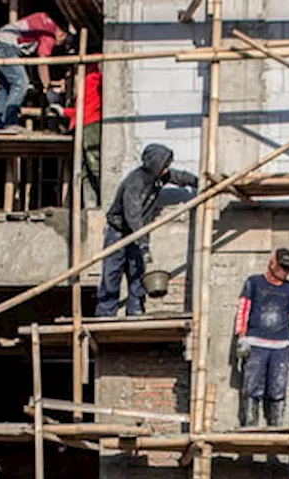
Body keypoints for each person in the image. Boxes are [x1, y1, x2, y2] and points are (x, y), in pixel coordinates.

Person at [95, 144, 198, 318]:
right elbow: (132, 215)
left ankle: (135, 312)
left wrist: (197, 181)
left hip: (138, 232)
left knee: (137, 274)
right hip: (119, 232)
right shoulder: (135, 182)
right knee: (112, 274)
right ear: (154, 164)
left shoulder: (158, 177)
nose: (167, 169)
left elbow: (179, 177)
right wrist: (143, 243)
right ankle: (105, 313)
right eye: (164, 165)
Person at [234, 248, 289, 428]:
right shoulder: (254, 283)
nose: (285, 272)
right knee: (252, 387)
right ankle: (250, 426)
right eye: (282, 267)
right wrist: (241, 336)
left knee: (278, 388)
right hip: (255, 344)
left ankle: (277, 427)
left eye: (288, 269)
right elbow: (243, 309)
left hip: (281, 346)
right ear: (272, 263)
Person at [0, 12, 68, 130]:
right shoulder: (49, 34)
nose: (59, 44)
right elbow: (42, 63)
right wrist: (48, 88)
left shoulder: (43, 20)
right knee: (21, 83)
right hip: (4, 46)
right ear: (62, 33)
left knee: (5, 86)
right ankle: (9, 122)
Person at [61, 63, 102, 205]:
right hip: (83, 123)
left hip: (91, 124)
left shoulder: (93, 77)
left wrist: (64, 112)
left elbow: (87, 108)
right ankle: (90, 205)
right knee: (84, 169)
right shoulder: (88, 78)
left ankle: (102, 202)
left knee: (94, 165)